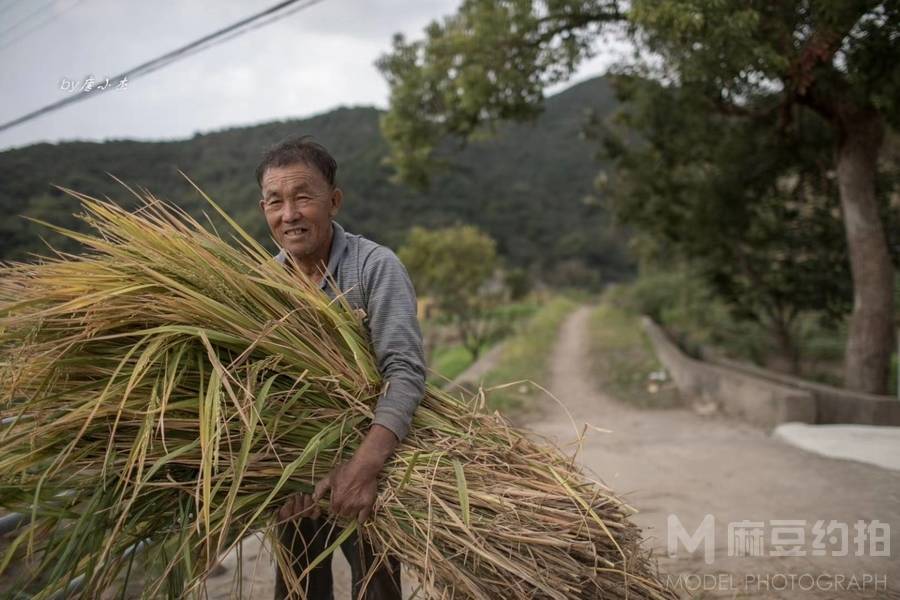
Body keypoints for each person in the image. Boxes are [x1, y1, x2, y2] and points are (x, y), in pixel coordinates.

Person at [256, 136, 426, 600]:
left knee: (377, 590)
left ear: (333, 201)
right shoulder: (262, 288)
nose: (289, 214)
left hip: (375, 460)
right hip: (297, 474)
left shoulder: (375, 268)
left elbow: (405, 372)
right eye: (276, 202)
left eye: (303, 197)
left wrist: (364, 469)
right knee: (298, 592)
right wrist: (279, 479)